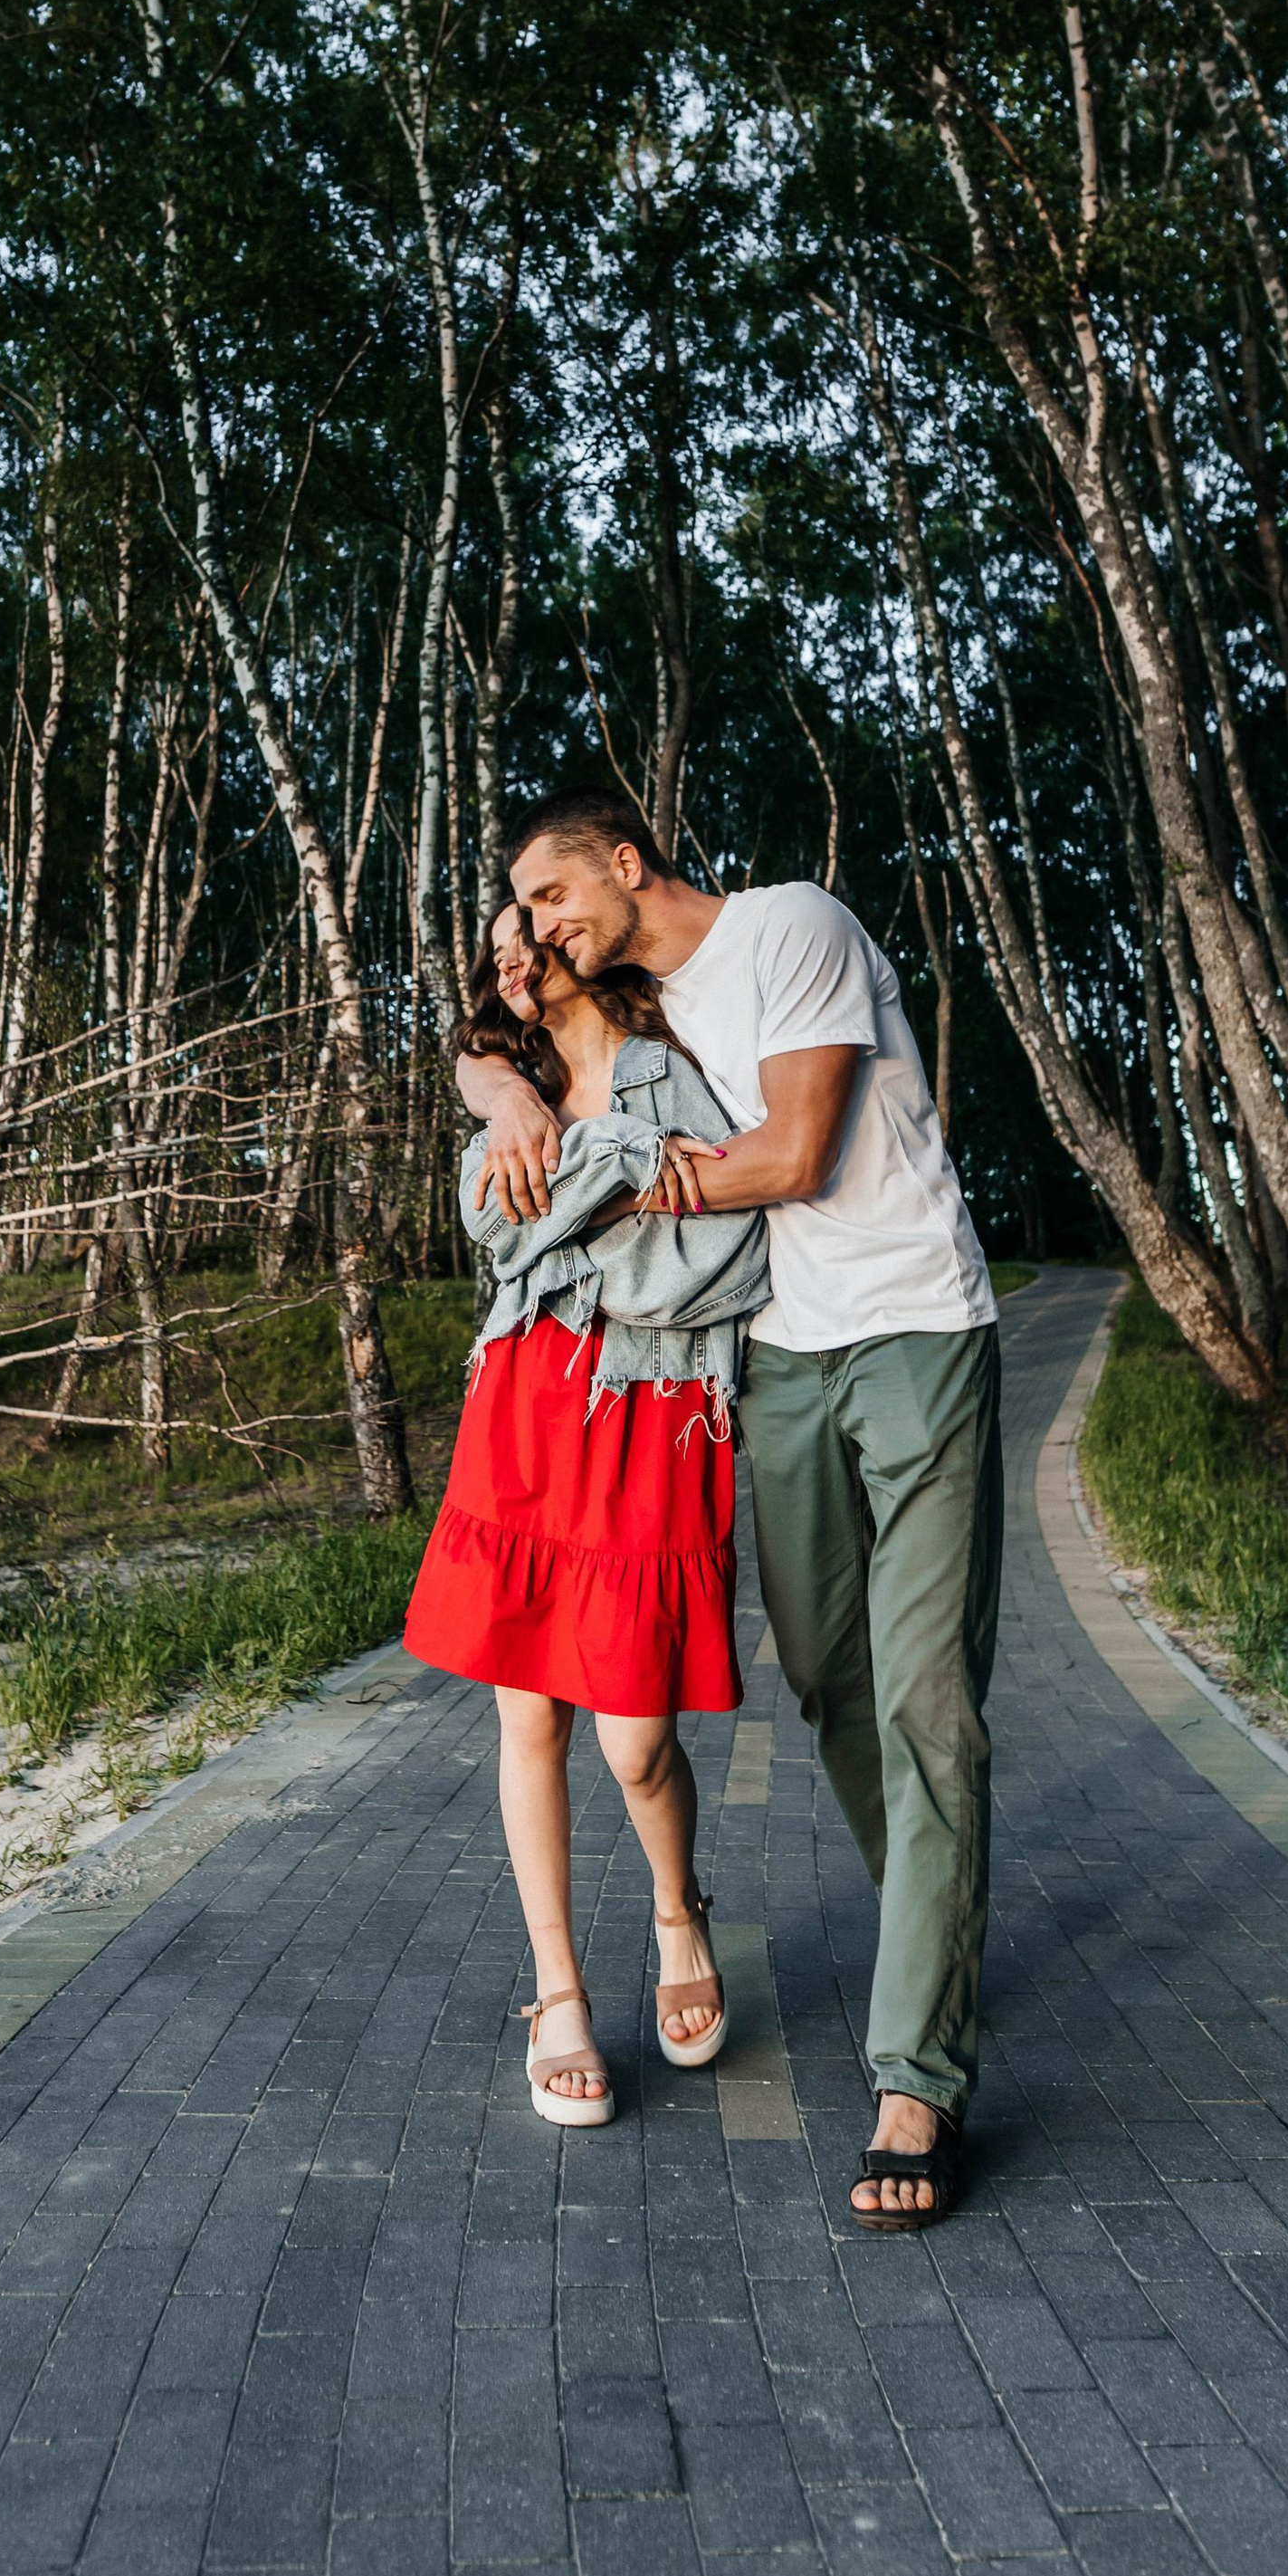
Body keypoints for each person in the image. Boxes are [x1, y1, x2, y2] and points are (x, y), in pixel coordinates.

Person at [456, 790, 1000, 2231]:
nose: (538, 927)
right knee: (828, 1683)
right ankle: (928, 1934)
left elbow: (794, 1159)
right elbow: (501, 1073)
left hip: (909, 1331)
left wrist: (581, 1192)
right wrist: (503, 1085)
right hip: (776, 1367)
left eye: (552, 897)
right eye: (523, 918)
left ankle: (917, 2074)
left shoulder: (789, 928)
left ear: (626, 863)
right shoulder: (641, 1006)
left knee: (921, 1703)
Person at [405, 903, 771, 2128]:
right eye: (494, 941)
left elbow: (730, 1247)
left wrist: (575, 1187)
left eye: (531, 931)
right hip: (524, 1405)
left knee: (636, 1741)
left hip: (652, 1416)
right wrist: (581, 1155)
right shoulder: (511, 1084)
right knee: (531, 1719)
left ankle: (679, 1910)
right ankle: (558, 1992)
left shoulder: (680, 1062)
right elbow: (496, 1230)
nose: (509, 953)